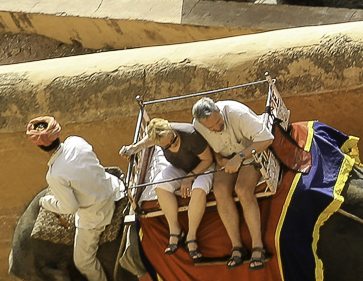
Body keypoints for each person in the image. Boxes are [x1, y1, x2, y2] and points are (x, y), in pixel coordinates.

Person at [27, 115, 124, 281]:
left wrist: (46, 202)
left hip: (96, 214)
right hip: (112, 188)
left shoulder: (54, 175)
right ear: (58, 133)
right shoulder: (76, 141)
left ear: (39, 147)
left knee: (83, 261)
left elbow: (70, 207)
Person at [192, 94, 280, 268]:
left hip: (250, 154)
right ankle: (237, 246)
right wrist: (219, 159)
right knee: (220, 191)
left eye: (218, 122)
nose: (217, 128)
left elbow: (267, 139)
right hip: (226, 159)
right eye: (211, 128)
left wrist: (240, 157)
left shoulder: (237, 114)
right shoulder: (198, 125)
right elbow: (210, 146)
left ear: (218, 110)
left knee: (242, 189)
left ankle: (258, 246)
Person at [120, 116, 215, 256]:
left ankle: (191, 236)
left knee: (198, 190)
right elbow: (146, 141)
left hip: (202, 167)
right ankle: (175, 230)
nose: (172, 145)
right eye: (167, 146)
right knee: (160, 185)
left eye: (174, 140)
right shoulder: (160, 138)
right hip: (181, 167)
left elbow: (208, 159)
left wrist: (190, 177)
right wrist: (133, 148)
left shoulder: (190, 135)